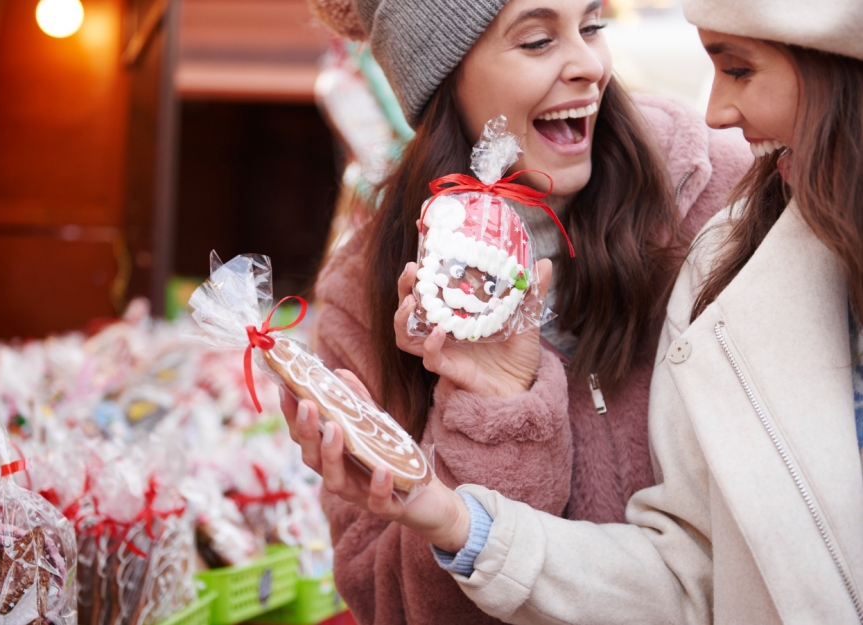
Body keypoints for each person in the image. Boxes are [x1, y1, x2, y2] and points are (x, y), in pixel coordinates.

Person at [290, 0, 863, 622]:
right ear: (442, 76)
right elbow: (396, 603)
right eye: (538, 40)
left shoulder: (721, 196)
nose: (590, 64)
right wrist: (493, 418)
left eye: (593, 26)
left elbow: (712, 563)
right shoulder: (367, 295)